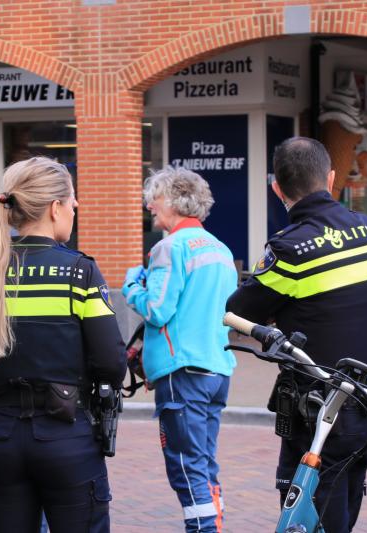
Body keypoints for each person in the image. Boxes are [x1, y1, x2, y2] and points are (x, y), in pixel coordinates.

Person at [0, 157, 127, 533]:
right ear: (55, 208)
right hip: (66, 437)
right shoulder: (79, 273)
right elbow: (111, 364)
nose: (76, 208)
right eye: (73, 201)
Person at [226, 137, 367, 533]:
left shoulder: (290, 250)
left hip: (324, 415)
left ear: (277, 189)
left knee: (308, 518)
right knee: (345, 505)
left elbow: (239, 310)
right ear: (332, 178)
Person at [121, 166, 238, 533]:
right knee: (204, 461)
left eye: (153, 198)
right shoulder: (219, 248)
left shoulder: (170, 248)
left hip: (182, 374)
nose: (149, 206)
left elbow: (157, 309)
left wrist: (130, 286)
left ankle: (203, 529)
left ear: (172, 200)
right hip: (216, 369)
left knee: (185, 466)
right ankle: (214, 524)